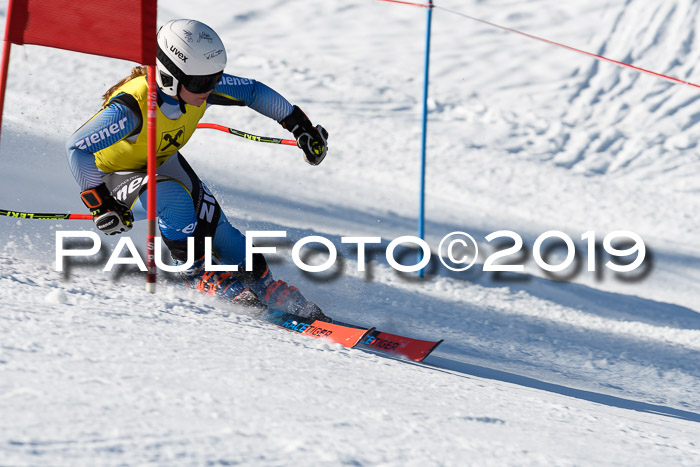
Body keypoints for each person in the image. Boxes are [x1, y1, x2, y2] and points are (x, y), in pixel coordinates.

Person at [65, 19, 330, 321]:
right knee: (173, 199)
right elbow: (77, 147)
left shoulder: (197, 85)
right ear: (168, 78)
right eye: (202, 83)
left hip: (162, 161)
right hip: (116, 174)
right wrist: (100, 203)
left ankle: (264, 284)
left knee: (222, 233)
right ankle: (194, 273)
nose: (211, 88)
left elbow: (253, 92)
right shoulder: (132, 108)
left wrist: (300, 125)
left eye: (215, 78)